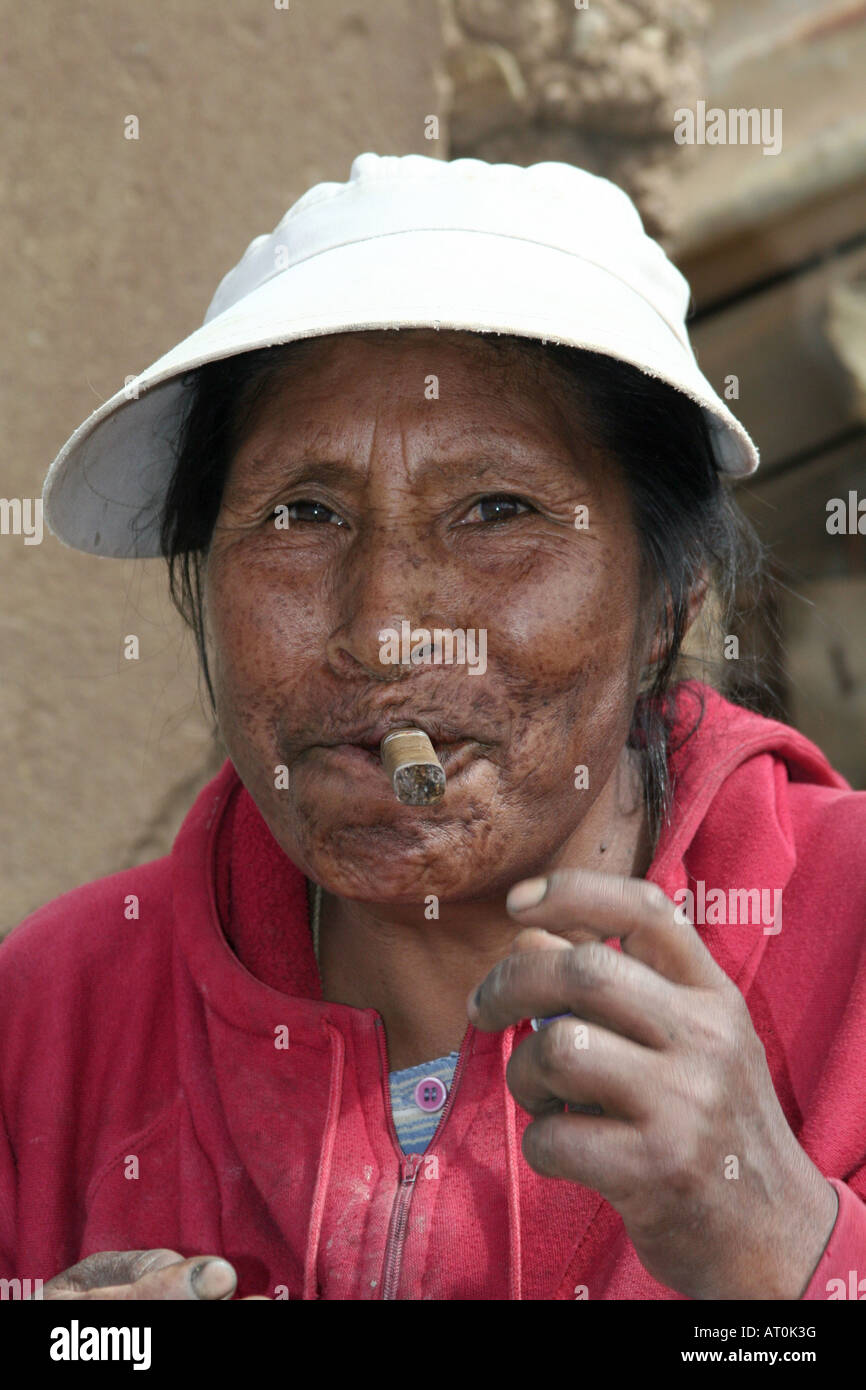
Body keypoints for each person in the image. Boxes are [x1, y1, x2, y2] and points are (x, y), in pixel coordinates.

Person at [2, 153, 864, 1302]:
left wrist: (784, 1247)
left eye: (495, 512)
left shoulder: (846, 941)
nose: (387, 628)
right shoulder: (58, 1017)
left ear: (669, 602)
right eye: (301, 515)